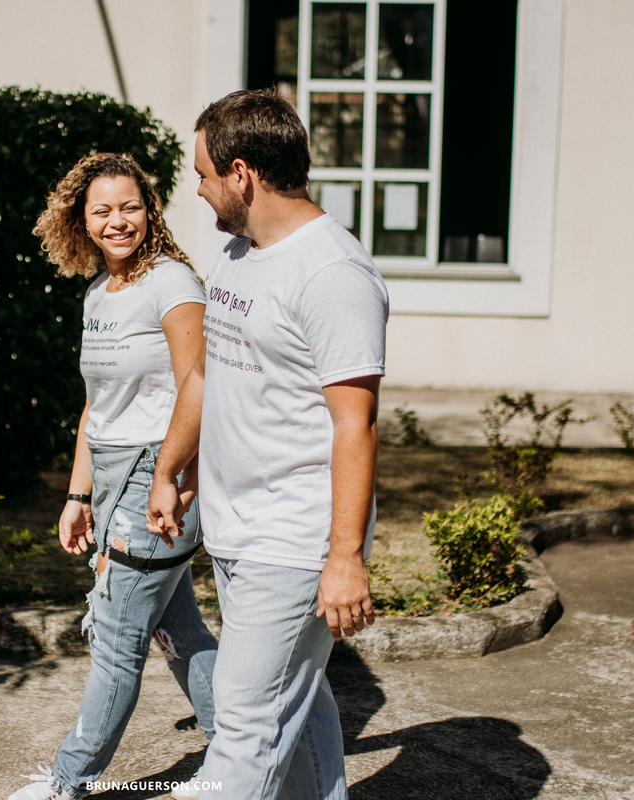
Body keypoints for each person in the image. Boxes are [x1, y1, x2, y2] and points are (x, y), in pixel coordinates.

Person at [146, 89, 389, 799]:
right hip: (236, 526)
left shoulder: (332, 275)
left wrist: (343, 558)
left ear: (242, 173)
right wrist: (172, 469)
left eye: (203, 173)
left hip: (294, 536)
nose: (197, 188)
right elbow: (206, 376)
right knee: (297, 701)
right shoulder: (240, 254)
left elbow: (356, 424)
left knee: (244, 733)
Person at [8, 152, 218, 800]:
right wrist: (77, 495)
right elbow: (97, 407)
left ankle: (68, 780)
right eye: (102, 210)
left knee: (118, 635)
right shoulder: (99, 294)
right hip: (110, 472)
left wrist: (171, 476)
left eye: (129, 206)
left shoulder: (171, 283)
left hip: (157, 473)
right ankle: (242, 743)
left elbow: (200, 384)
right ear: (82, 219)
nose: (117, 220)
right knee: (176, 624)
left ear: (149, 211)